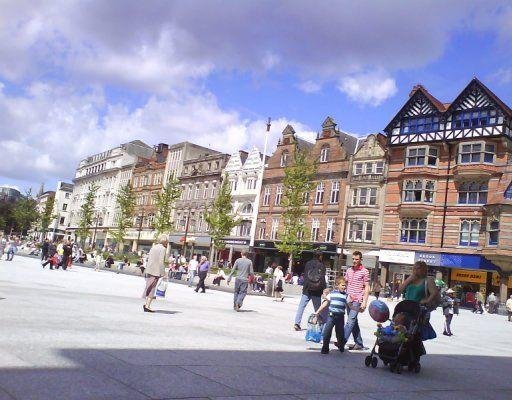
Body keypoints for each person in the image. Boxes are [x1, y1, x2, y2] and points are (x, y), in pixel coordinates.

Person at [343, 251, 370, 351]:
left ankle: (342, 340)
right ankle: (359, 343)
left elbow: (367, 287)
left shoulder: (365, 271)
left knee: (350, 321)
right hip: (348, 299)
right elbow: (345, 282)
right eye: (353, 259)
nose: (354, 261)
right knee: (354, 321)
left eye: (357, 259)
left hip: (357, 300)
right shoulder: (349, 270)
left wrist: (364, 302)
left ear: (360, 259)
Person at [293, 251, 326, 331]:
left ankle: (297, 323)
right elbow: (322, 278)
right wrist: (324, 289)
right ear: (320, 256)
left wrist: (304, 287)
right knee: (318, 309)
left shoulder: (308, 263)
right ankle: (320, 325)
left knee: (301, 307)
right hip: (317, 290)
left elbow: (305, 276)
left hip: (307, 289)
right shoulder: (321, 265)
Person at [315, 277, 348, 354]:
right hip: (331, 316)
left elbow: (349, 305)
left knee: (340, 333)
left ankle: (341, 345)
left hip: (340, 317)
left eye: (345, 285)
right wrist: (318, 311)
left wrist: (357, 309)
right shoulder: (332, 294)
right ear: (337, 285)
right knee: (327, 332)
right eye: (342, 285)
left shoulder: (346, 296)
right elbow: (325, 303)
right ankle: (325, 348)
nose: (344, 287)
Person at [142, 234, 168, 312]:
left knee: (149, 287)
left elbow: (149, 258)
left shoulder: (154, 247)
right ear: (165, 241)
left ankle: (146, 304)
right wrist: (163, 272)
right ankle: (147, 306)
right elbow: (161, 261)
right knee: (152, 288)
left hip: (149, 269)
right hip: (156, 271)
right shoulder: (163, 249)